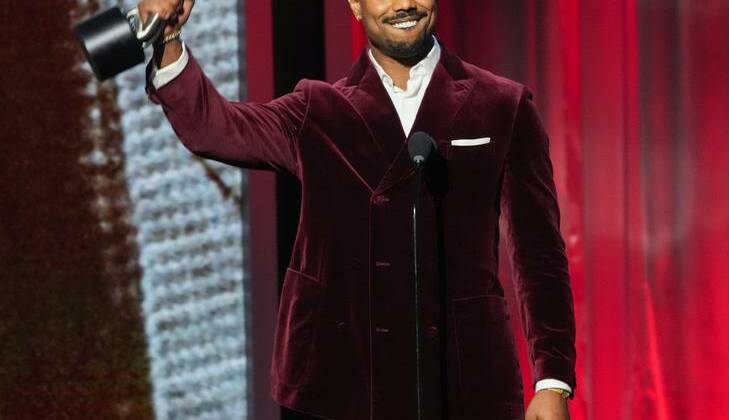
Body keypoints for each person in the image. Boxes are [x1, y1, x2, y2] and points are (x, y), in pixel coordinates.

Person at [139, 0, 577, 419]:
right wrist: (170, 38)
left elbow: (539, 255)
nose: (404, 4)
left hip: (466, 379)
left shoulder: (503, 105)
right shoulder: (319, 110)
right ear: (354, 5)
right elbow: (216, 129)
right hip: (346, 383)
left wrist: (552, 381)